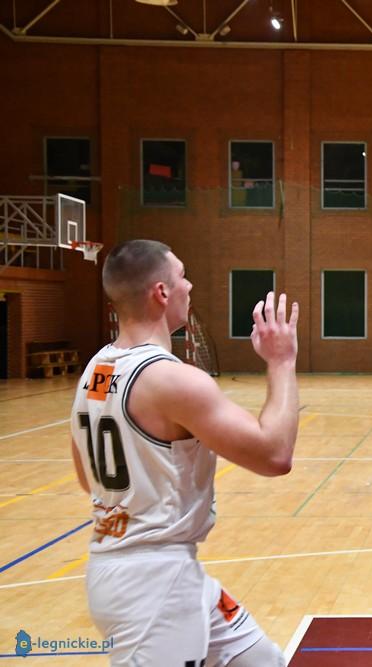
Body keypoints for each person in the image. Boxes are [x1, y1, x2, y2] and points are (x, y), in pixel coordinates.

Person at [69, 239, 298, 667]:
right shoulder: (171, 380)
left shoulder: (94, 371)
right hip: (153, 585)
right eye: (182, 276)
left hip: (146, 568)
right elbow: (275, 455)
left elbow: (88, 479)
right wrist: (281, 361)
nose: (189, 286)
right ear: (161, 292)